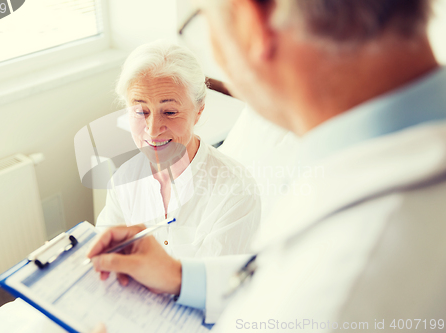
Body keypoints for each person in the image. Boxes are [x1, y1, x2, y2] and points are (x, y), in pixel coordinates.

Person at [88, 0, 446, 331]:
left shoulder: (345, 287)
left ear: (250, 23)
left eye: (203, 21)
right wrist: (182, 277)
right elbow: (277, 275)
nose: (153, 127)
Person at [96, 40, 261, 259]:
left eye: (170, 112)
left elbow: (219, 286)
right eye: (140, 111)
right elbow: (106, 254)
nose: (153, 130)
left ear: (199, 111)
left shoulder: (235, 192)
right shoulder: (123, 180)